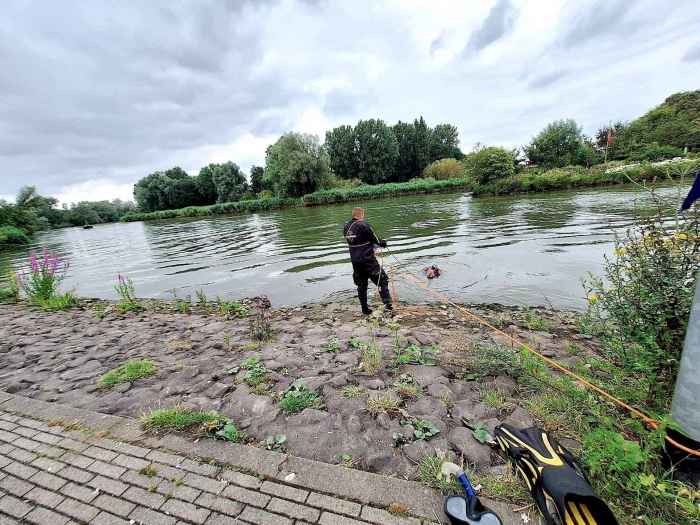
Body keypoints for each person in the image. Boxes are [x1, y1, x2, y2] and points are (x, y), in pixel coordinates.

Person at [343, 207, 393, 315]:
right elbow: (375, 239)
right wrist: (383, 243)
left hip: (355, 262)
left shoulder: (346, 227)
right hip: (368, 260)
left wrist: (372, 247)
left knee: (362, 285)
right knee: (382, 280)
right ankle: (388, 306)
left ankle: (365, 309)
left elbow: (357, 241)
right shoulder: (364, 225)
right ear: (361, 215)